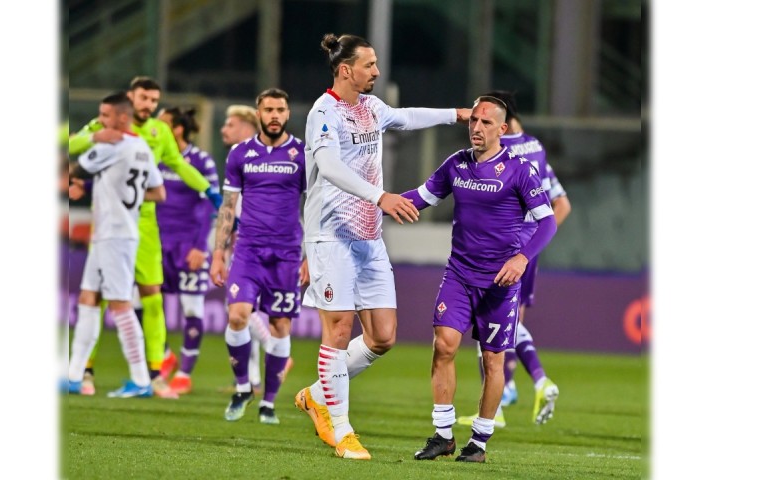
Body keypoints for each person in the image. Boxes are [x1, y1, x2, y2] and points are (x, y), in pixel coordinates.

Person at [295, 32, 471, 461]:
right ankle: (342, 432)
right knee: (337, 328)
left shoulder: (371, 107)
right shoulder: (325, 111)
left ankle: (317, 395)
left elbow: (406, 117)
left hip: (368, 237)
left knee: (382, 337)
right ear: (345, 70)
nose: (376, 71)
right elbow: (330, 166)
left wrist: (457, 113)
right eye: (369, 65)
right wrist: (381, 197)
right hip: (331, 234)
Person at [404, 95, 557, 463]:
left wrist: (522, 258)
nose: (476, 127)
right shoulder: (455, 165)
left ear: (502, 129)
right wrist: (377, 199)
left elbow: (547, 221)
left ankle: (479, 442)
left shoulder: (519, 169)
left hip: (500, 283)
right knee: (444, 345)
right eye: (473, 120)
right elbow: (421, 198)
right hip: (459, 274)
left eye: (486, 122)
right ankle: (443, 435)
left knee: (492, 361)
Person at [69, 76, 223, 398]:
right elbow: (75, 144)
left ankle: (152, 376)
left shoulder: (157, 131)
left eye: (154, 101)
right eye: (143, 99)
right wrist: (98, 136)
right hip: (111, 224)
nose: (149, 106)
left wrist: (207, 189)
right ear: (130, 97)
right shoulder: (108, 124)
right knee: (94, 299)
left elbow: (177, 166)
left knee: (150, 298)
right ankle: (85, 373)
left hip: (145, 228)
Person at [456, 90, 572, 428]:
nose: (478, 123)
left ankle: (520, 391)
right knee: (507, 323)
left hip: (500, 246)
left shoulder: (502, 152)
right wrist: (534, 243)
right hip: (526, 248)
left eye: (485, 118)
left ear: (502, 121)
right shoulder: (535, 146)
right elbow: (559, 205)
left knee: (490, 322)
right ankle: (513, 389)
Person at [209, 88, 309, 425]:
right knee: (237, 315)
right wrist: (218, 253)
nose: (275, 115)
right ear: (259, 113)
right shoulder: (240, 154)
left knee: (280, 324)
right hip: (248, 251)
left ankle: (268, 402)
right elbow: (228, 207)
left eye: (281, 109)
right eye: (269, 109)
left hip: (286, 254)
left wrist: (311, 255)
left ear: (288, 113)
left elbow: (315, 206)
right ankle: (242, 388)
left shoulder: (302, 155)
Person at [66, 92, 166, 398]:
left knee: (120, 305)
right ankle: (73, 376)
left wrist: (95, 137)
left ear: (122, 118)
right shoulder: (141, 147)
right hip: (113, 233)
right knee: (88, 299)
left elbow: (73, 169)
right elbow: (158, 192)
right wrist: (123, 196)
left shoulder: (114, 144)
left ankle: (140, 380)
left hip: (114, 236)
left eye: (106, 116)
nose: (101, 122)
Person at [209, 104, 285, 396]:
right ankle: (253, 379)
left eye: (230, 124)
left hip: (256, 243)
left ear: (246, 127)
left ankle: (275, 351)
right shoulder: (245, 155)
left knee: (242, 308)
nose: (223, 129)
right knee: (246, 309)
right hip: (259, 240)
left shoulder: (246, 156)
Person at [150, 106, 219, 395]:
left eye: (163, 122)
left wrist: (200, 246)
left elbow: (208, 205)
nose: (155, 126)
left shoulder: (201, 161)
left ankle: (184, 373)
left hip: (187, 245)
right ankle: (164, 354)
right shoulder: (154, 157)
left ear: (177, 129)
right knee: (143, 302)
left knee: (192, 307)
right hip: (155, 243)